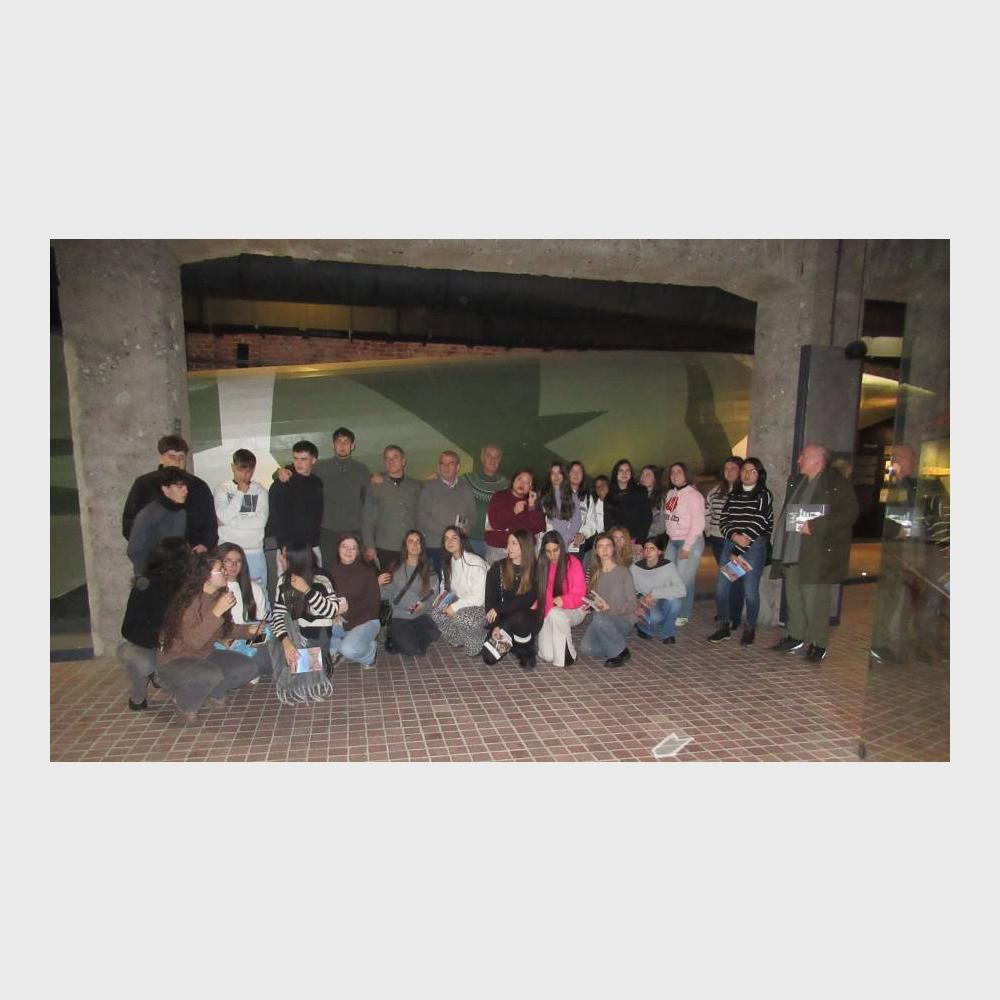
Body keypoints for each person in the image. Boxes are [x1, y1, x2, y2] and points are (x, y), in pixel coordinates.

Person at [770, 442, 859, 663]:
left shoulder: (835, 482)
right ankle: (795, 635)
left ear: (817, 460)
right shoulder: (798, 481)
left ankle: (819, 643)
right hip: (792, 550)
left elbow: (850, 513)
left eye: (803, 456)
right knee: (794, 597)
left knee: (815, 599)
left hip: (816, 553)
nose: (799, 460)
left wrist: (815, 526)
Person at [157, 554, 264, 724]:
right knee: (210, 674)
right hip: (177, 660)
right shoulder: (189, 602)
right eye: (221, 570)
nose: (226, 572)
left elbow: (222, 631)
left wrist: (248, 631)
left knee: (248, 667)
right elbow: (193, 643)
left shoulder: (216, 596)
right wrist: (216, 612)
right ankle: (184, 703)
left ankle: (212, 692)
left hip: (205, 655)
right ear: (206, 576)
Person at [118, 538, 193, 711]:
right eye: (188, 554)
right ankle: (138, 696)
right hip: (146, 644)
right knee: (143, 663)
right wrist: (158, 639)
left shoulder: (189, 585)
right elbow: (129, 628)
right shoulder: (145, 586)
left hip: (177, 646)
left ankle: (160, 676)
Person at [707, 457, 774, 646]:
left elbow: (759, 521)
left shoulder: (764, 494)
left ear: (759, 475)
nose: (747, 474)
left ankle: (750, 628)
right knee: (723, 588)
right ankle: (724, 626)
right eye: (744, 470)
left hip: (753, 547)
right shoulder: (734, 494)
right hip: (733, 544)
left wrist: (738, 548)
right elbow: (724, 521)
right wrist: (734, 537)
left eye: (752, 471)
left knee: (750, 591)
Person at [122, 434, 218, 554]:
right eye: (172, 456)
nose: (177, 461)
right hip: (154, 557)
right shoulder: (144, 484)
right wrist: (150, 550)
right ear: (161, 458)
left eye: (181, 457)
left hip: (191, 555)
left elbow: (210, 523)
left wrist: (205, 545)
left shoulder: (199, 487)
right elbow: (130, 523)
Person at [269, 546, 340, 703]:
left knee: (306, 680)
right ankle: (309, 663)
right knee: (278, 653)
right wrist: (286, 642)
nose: (280, 559)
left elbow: (331, 611)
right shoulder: (283, 580)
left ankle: (324, 662)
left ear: (296, 559)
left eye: (284, 556)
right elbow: (278, 615)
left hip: (315, 636)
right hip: (294, 635)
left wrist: (307, 590)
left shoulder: (321, 578)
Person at [482, 528, 540, 668]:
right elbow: (490, 601)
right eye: (508, 543)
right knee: (489, 657)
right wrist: (496, 626)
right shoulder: (498, 567)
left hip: (526, 619)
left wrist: (499, 609)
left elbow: (528, 599)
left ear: (525, 546)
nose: (509, 547)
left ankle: (526, 649)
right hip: (504, 619)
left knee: (519, 617)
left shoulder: (536, 569)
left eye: (514, 543)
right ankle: (513, 643)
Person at [378, 530, 441, 656]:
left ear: (422, 546)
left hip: (421, 615)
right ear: (405, 546)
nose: (415, 544)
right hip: (399, 616)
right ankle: (396, 636)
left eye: (418, 541)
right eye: (410, 541)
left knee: (435, 633)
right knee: (412, 650)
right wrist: (378, 584)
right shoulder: (395, 567)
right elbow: (385, 595)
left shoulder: (429, 569)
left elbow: (434, 598)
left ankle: (401, 639)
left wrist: (423, 606)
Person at [214, 448, 269, 591]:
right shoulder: (222, 489)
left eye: (248, 471)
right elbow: (223, 516)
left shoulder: (260, 491)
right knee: (226, 592)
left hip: (254, 551)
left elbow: (261, 522)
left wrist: (230, 522)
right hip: (227, 552)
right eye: (240, 470)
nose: (244, 475)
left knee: (258, 592)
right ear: (233, 467)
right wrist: (240, 493)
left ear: (254, 469)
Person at [314, 427, 371, 565]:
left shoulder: (361, 469)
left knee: (354, 568)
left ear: (352, 446)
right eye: (339, 441)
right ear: (333, 445)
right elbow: (300, 471)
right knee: (329, 568)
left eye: (346, 442)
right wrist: (281, 472)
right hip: (328, 531)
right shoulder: (320, 468)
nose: (342, 445)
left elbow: (368, 500)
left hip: (354, 529)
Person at [579, 533, 637, 668]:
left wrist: (610, 608)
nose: (604, 550)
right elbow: (592, 597)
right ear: (596, 550)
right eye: (600, 546)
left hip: (622, 618)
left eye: (608, 546)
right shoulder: (594, 572)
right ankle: (614, 641)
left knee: (599, 618)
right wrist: (589, 605)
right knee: (587, 649)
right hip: (602, 620)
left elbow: (633, 603)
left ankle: (621, 652)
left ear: (613, 549)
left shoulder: (623, 572)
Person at [362, 444, 422, 571]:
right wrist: (369, 546)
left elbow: (421, 515)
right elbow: (368, 518)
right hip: (385, 547)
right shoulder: (375, 485)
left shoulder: (416, 486)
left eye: (395, 457)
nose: (391, 461)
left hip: (410, 547)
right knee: (386, 581)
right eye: (387, 458)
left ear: (403, 461)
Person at [327, 534, 382, 670]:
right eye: (344, 546)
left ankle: (370, 653)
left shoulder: (367, 572)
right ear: (338, 549)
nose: (348, 551)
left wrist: (347, 622)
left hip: (367, 621)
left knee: (349, 649)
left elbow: (374, 608)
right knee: (317, 632)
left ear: (358, 552)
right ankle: (339, 647)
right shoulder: (331, 572)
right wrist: (333, 614)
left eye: (353, 548)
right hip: (341, 621)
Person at [432, 526, 489, 656]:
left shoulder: (475, 563)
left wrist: (454, 607)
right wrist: (443, 602)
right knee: (436, 613)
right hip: (459, 603)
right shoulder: (448, 563)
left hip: (481, 607)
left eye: (454, 538)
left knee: (461, 617)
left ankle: (478, 642)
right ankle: (458, 639)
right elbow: (445, 586)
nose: (449, 541)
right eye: (446, 539)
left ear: (462, 540)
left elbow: (479, 598)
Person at [417, 450, 476, 573]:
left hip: (459, 547)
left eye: (451, 464)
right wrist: (448, 534)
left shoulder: (466, 489)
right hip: (435, 546)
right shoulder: (428, 487)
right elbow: (422, 517)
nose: (446, 467)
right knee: (438, 582)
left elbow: (471, 516)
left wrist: (466, 529)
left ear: (458, 467)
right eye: (443, 464)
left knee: (458, 581)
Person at [663, 462, 706, 626]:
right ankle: (674, 610)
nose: (675, 475)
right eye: (672, 472)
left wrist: (687, 547)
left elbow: (698, 523)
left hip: (690, 541)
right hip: (673, 541)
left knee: (682, 580)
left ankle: (682, 614)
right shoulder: (670, 494)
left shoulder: (694, 495)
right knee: (672, 577)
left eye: (679, 471)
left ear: (686, 474)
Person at [536, 530, 587, 667]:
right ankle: (559, 651)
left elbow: (580, 594)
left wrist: (564, 600)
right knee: (547, 655)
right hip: (552, 611)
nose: (552, 555)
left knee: (556, 613)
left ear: (562, 548)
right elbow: (543, 596)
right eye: (548, 551)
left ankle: (569, 656)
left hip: (576, 609)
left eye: (556, 550)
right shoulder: (543, 565)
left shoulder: (573, 562)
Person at [705, 456, 745, 629]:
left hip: (735, 543)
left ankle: (733, 616)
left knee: (734, 579)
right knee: (725, 577)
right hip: (717, 540)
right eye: (726, 468)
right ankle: (724, 612)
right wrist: (707, 530)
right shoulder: (715, 491)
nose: (729, 471)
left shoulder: (744, 491)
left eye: (733, 468)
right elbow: (707, 511)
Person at [268, 440, 324, 562]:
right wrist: (282, 545)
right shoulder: (281, 483)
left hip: (312, 545)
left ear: (313, 460)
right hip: (289, 547)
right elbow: (276, 518)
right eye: (296, 458)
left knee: (317, 574)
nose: (299, 463)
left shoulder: (317, 483)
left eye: (303, 459)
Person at [126, 468, 189, 575]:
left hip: (175, 573)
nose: (186, 491)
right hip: (151, 575)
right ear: (165, 489)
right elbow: (134, 551)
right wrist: (154, 571)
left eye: (186, 487)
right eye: (180, 487)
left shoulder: (181, 512)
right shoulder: (149, 514)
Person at [630, 533, 686, 644]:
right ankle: (643, 627)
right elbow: (630, 589)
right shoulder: (635, 568)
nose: (648, 552)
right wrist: (640, 598)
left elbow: (681, 590)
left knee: (676, 603)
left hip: (661, 600)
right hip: (644, 603)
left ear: (659, 552)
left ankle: (667, 633)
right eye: (646, 548)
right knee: (656, 617)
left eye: (652, 549)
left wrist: (654, 594)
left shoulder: (668, 566)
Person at [484, 469, 546, 565]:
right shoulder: (499, 496)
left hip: (523, 552)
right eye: (519, 479)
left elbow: (539, 527)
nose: (522, 483)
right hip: (499, 549)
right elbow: (495, 524)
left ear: (530, 487)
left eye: (527, 482)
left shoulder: (532, 503)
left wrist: (531, 507)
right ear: (513, 481)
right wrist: (513, 512)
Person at [462, 444, 510, 558]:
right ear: (482, 458)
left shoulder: (507, 485)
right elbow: (450, 488)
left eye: (496, 457)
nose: (492, 460)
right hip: (470, 539)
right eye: (489, 456)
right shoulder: (466, 480)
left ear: (500, 460)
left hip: (496, 543)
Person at [603, 459, 651, 549]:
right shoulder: (609, 497)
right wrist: (614, 541)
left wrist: (640, 542)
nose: (624, 473)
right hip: (617, 542)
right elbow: (608, 524)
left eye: (627, 470)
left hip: (636, 541)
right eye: (621, 470)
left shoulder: (640, 491)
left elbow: (646, 518)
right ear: (615, 474)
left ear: (631, 473)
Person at [541, 461, 582, 551]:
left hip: (563, 543)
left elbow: (577, 522)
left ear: (563, 475)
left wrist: (565, 540)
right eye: (553, 473)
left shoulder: (572, 496)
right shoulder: (543, 497)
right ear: (549, 476)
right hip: (545, 543)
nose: (556, 476)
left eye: (559, 473)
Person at [579, 474, 610, 557]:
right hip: (594, 546)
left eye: (603, 485)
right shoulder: (593, 508)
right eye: (597, 487)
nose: (600, 489)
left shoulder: (618, 505)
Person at [566, 460, 592, 553]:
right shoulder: (558, 495)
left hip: (577, 546)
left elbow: (591, 522)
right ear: (567, 474)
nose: (576, 474)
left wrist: (583, 534)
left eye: (579, 471)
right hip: (558, 544)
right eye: (573, 471)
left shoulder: (587, 497)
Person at [640, 464, 667, 537]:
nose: (643, 477)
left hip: (652, 536)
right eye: (642, 474)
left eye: (648, 475)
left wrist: (642, 525)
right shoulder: (637, 495)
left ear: (655, 479)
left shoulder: (661, 498)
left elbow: (661, 527)